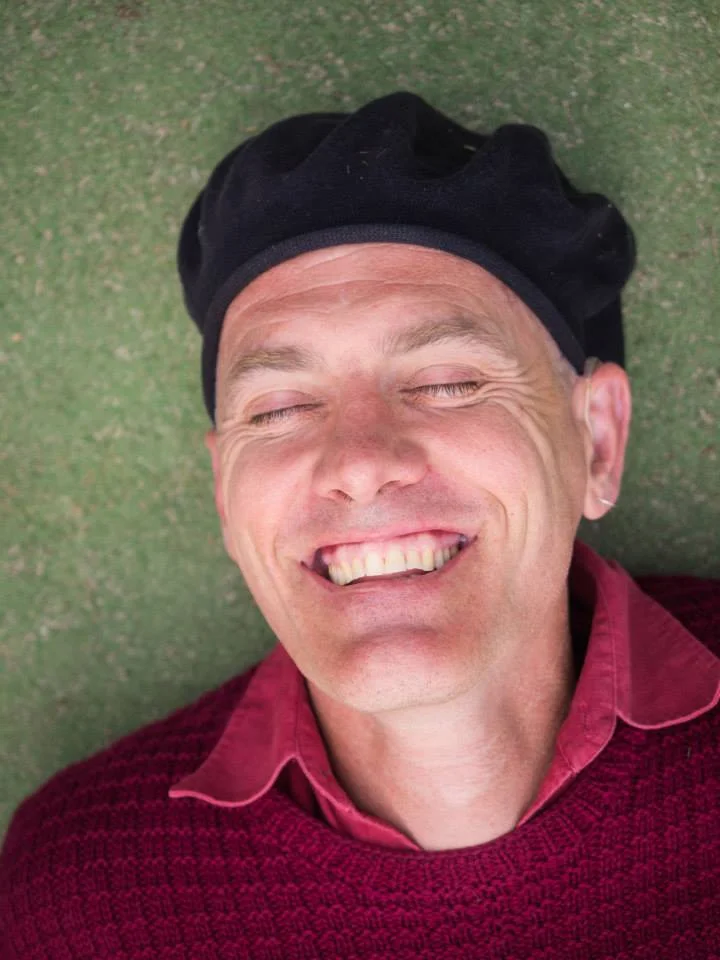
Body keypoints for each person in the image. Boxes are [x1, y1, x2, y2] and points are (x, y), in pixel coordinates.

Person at [1, 92, 718, 959]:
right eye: (279, 408)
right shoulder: (80, 898)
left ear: (596, 442)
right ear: (226, 495)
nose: (359, 462)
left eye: (447, 382)